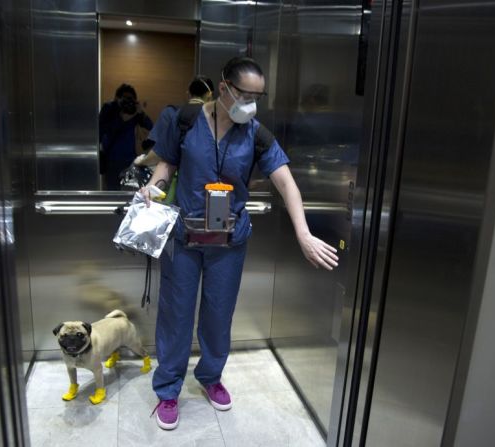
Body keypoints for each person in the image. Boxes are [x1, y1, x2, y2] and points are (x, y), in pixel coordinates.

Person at [139, 57, 339, 430]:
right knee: (176, 315)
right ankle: (168, 391)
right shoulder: (182, 120)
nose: (251, 102)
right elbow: (165, 166)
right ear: (224, 87)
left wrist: (303, 232)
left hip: (229, 242)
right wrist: (156, 186)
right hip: (184, 236)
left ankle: (210, 377)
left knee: (219, 315)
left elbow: (285, 182)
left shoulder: (257, 134)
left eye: (258, 96)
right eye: (245, 94)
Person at [134, 75, 214, 202]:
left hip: (176, 189)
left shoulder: (174, 114)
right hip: (212, 193)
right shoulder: (217, 121)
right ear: (210, 95)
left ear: (188, 93)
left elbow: (160, 154)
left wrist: (141, 161)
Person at [98, 83, 153, 190]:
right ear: (117, 98)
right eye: (125, 99)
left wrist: (141, 112)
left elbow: (151, 127)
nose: (128, 102)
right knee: (112, 193)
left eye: (131, 99)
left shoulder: (134, 111)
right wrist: (122, 116)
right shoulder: (110, 109)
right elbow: (101, 130)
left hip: (130, 160)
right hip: (111, 160)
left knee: (129, 192)